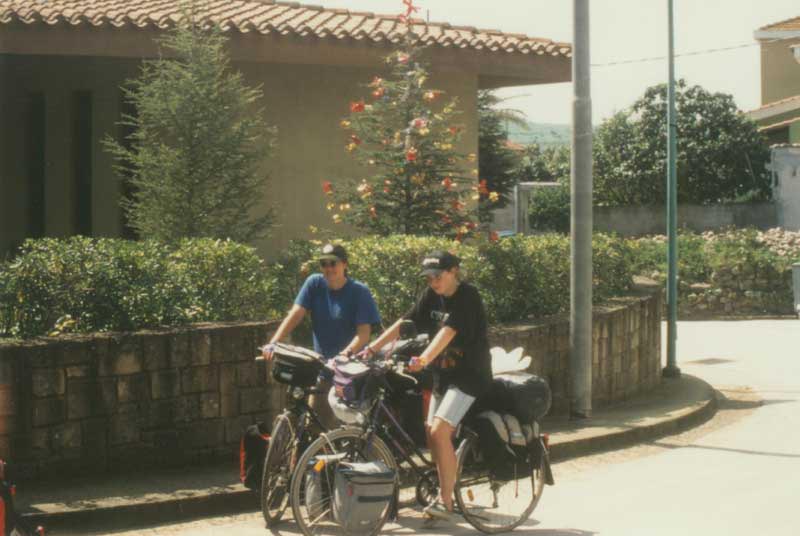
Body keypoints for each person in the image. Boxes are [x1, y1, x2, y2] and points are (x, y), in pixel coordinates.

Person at [366, 250, 492, 523]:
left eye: (438, 275)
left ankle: (446, 502)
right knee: (430, 433)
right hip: (443, 376)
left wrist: (424, 358)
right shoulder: (431, 296)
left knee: (440, 430)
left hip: (471, 376)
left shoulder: (467, 297)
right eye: (429, 277)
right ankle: (444, 481)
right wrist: (372, 348)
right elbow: (404, 324)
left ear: (454, 271)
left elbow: (448, 332)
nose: (433, 281)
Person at [263, 243, 381, 428]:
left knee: (354, 430)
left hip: (350, 371)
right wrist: (274, 342)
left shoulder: (359, 292)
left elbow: (364, 335)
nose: (328, 268)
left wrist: (343, 355)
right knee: (315, 424)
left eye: (333, 263)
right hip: (324, 368)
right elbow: (296, 314)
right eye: (324, 264)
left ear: (345, 265)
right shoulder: (314, 284)